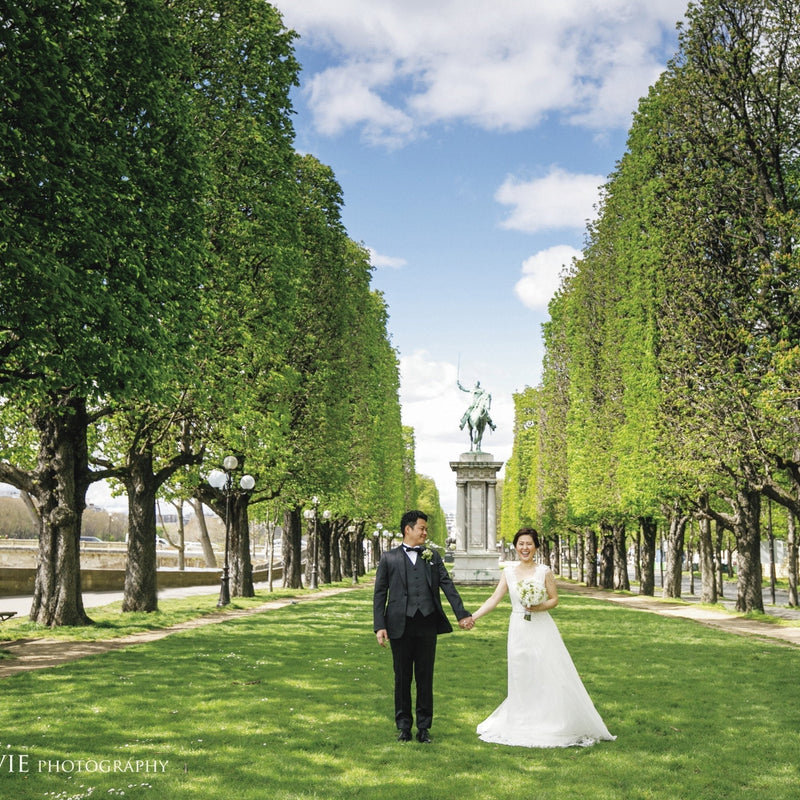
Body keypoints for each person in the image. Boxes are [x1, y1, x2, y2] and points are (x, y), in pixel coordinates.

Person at [471, 527, 615, 748]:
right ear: (516, 546)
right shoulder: (508, 572)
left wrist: (538, 606)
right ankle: (522, 718)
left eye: (529, 544)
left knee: (546, 670)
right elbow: (494, 599)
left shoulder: (544, 571)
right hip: (518, 627)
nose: (525, 548)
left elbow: (554, 599)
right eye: (521, 544)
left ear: (536, 547)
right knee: (521, 673)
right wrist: (473, 617)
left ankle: (549, 719)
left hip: (542, 627)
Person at [373, 510, 474, 743]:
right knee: (402, 678)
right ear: (408, 530)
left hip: (427, 624)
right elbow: (379, 594)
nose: (425, 532)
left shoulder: (433, 557)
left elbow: (448, 586)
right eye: (422, 528)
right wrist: (380, 626)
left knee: (425, 677)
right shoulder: (389, 558)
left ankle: (425, 728)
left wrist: (462, 614)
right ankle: (404, 727)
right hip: (399, 625)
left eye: (426, 529)